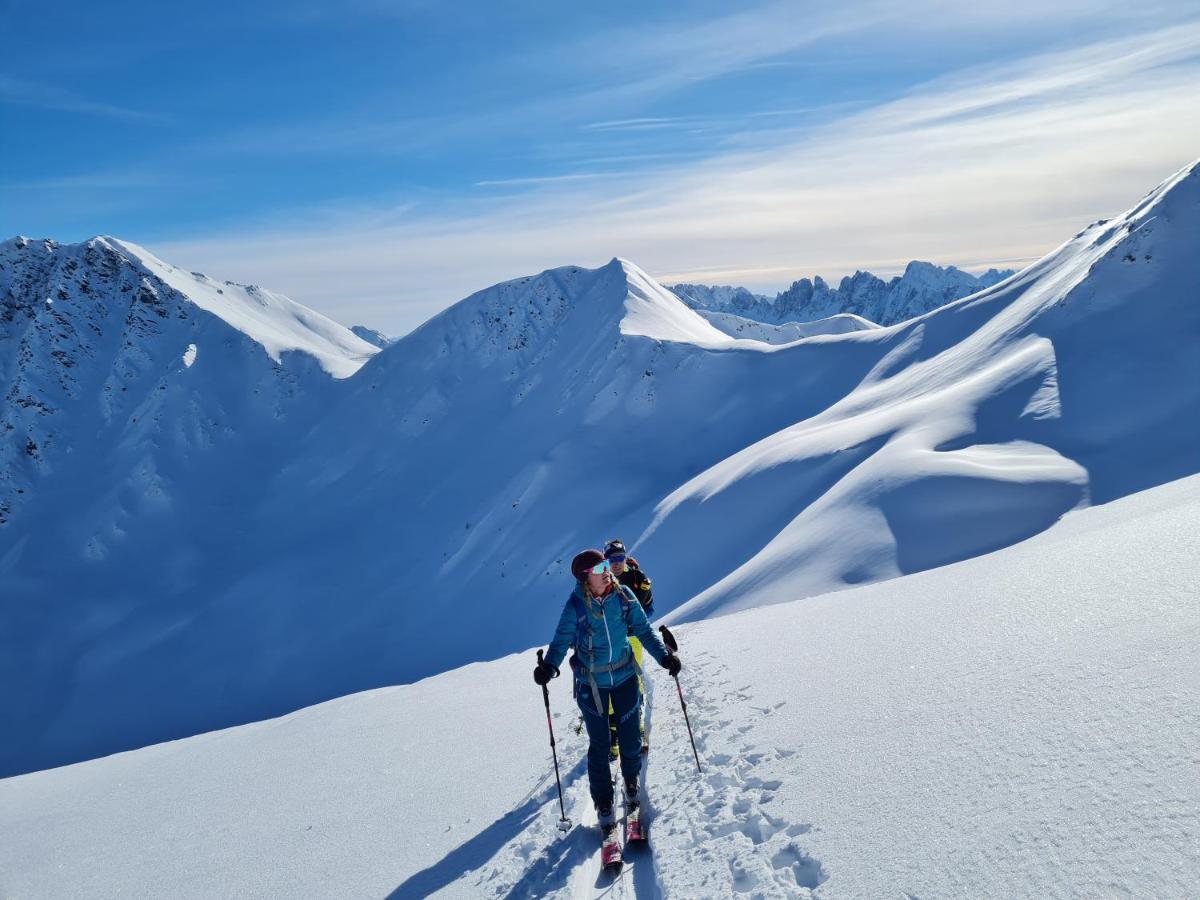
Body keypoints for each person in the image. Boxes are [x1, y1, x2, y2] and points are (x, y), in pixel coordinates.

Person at [534, 549, 681, 827]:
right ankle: (603, 798)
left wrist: (664, 657)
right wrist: (548, 667)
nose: (606, 571)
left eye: (605, 565)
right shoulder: (576, 606)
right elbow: (561, 640)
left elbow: (643, 630)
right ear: (586, 578)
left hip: (625, 677)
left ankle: (631, 780)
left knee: (630, 738)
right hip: (592, 685)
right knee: (600, 745)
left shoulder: (624, 595)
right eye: (600, 567)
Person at [603, 539, 654, 756]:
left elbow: (650, 610)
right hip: (610, 641)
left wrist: (637, 618)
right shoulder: (601, 580)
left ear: (625, 557)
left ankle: (636, 723)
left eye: (619, 558)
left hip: (632, 637)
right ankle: (613, 732)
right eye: (612, 559)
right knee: (611, 681)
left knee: (634, 677)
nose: (616, 563)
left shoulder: (636, 578)